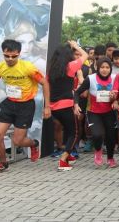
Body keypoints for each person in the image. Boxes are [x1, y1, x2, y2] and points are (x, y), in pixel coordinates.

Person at [0, 39, 50, 171]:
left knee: (17, 141)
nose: (10, 59)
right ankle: (3, 163)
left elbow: (45, 83)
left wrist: (47, 106)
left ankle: (33, 144)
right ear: (3, 53)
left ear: (19, 54)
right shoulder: (1, 67)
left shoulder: (28, 67)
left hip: (25, 106)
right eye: (7, 56)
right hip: (9, 104)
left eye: (13, 56)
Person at [47, 40, 86, 171]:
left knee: (69, 131)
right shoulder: (70, 67)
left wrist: (47, 106)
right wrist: (76, 46)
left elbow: (46, 89)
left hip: (54, 108)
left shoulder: (51, 71)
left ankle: (68, 155)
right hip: (66, 105)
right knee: (75, 133)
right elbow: (85, 56)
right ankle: (63, 160)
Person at [74, 57, 118, 168]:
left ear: (110, 69)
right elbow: (77, 92)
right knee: (97, 135)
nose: (105, 70)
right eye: (102, 67)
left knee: (111, 136)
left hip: (109, 112)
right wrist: (76, 105)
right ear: (97, 68)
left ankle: (110, 157)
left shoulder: (115, 78)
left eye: (107, 67)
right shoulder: (90, 78)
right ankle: (98, 151)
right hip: (94, 112)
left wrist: (115, 99)